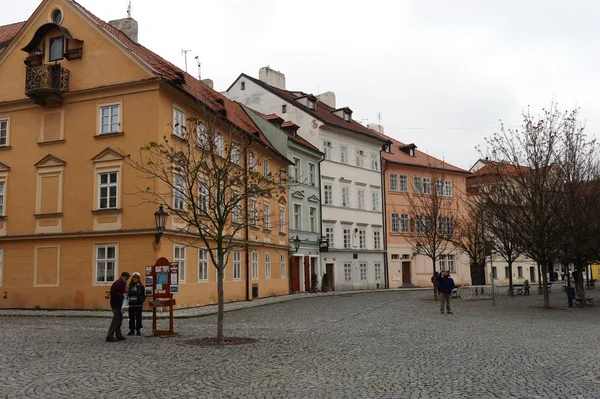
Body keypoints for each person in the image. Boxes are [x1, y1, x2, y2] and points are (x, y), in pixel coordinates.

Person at [106, 271, 130, 342]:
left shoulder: (123, 283)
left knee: (119, 320)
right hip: (116, 304)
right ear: (122, 276)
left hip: (120, 304)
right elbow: (113, 292)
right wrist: (121, 295)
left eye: (128, 277)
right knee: (115, 320)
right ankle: (109, 335)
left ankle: (118, 335)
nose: (127, 278)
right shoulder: (117, 283)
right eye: (126, 277)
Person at [127, 272, 146, 336]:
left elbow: (143, 294)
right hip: (131, 304)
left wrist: (141, 300)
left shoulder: (141, 286)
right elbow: (128, 294)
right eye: (134, 278)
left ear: (138, 279)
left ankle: (138, 330)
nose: (135, 279)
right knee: (131, 317)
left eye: (136, 278)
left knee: (138, 317)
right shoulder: (130, 286)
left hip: (138, 304)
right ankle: (132, 330)